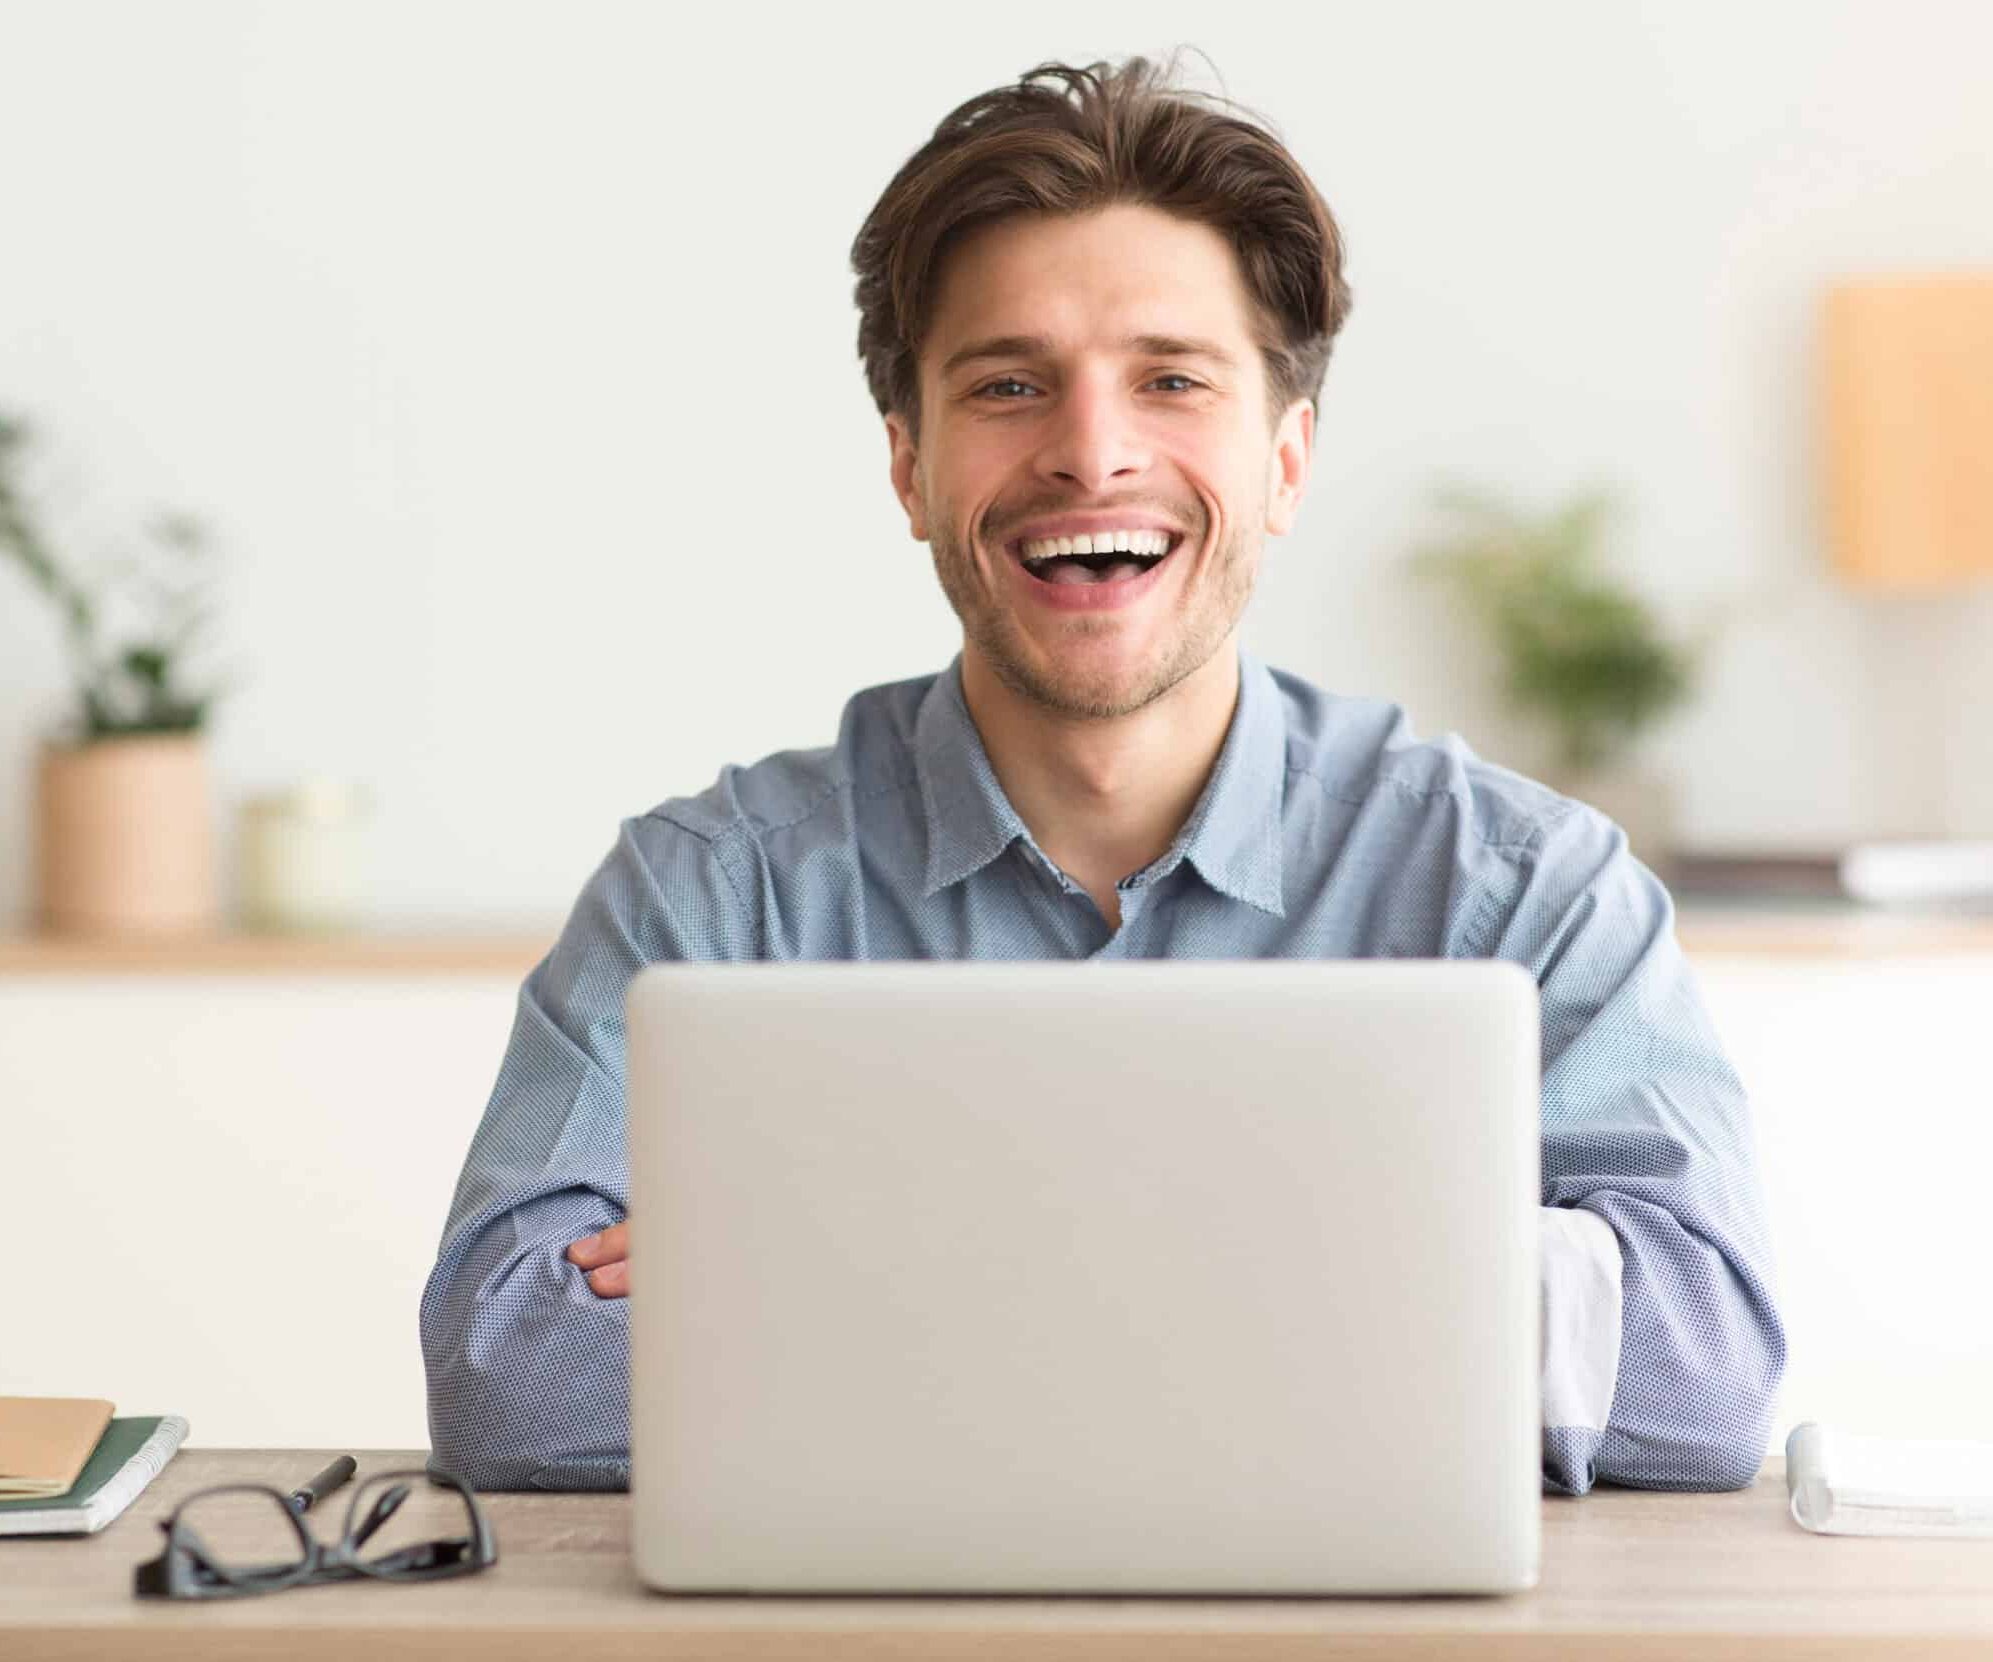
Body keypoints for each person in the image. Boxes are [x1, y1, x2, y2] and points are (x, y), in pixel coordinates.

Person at [420, 53, 1785, 1498]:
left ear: (1285, 461)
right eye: (1009, 386)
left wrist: (870, 1260)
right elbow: (514, 1372)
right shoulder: (711, 890)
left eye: (1170, 380)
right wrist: (1375, 1278)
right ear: (909, 468)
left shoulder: (1521, 889)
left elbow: (1694, 1371)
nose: (1091, 453)